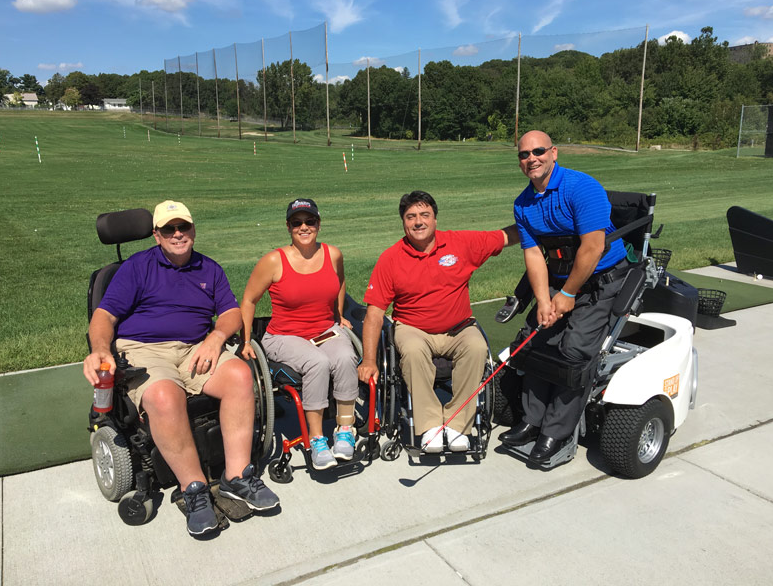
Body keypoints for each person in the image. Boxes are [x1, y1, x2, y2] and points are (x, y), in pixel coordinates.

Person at [83, 200, 279, 537]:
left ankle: (236, 477)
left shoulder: (209, 268)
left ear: (193, 230)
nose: (178, 234)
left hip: (195, 346)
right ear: (157, 235)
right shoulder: (135, 268)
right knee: (163, 396)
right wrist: (100, 350)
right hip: (145, 350)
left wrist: (217, 337)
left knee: (240, 375)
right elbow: (105, 317)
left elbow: (230, 312)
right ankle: (195, 490)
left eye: (184, 227)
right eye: (169, 229)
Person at [499, 130, 630, 464]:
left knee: (573, 351)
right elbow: (533, 256)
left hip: (602, 281)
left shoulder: (581, 187)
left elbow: (593, 246)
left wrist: (568, 294)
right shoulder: (523, 203)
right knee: (533, 340)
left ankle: (555, 432)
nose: (531, 159)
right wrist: (544, 300)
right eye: (524, 154)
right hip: (559, 280)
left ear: (554, 153)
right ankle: (531, 421)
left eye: (538, 151)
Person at [357, 191, 518, 453]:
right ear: (403, 222)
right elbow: (374, 313)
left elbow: (505, 236)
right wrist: (369, 360)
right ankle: (431, 425)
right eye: (411, 217)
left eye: (424, 215)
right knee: (411, 350)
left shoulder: (461, 243)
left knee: (477, 348)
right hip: (413, 329)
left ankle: (456, 426)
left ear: (435, 219)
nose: (418, 222)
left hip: (459, 327)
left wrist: (543, 224)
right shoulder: (390, 258)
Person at [240, 199, 359, 470]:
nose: (304, 227)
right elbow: (248, 300)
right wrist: (246, 341)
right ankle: (317, 439)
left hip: (324, 329)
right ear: (288, 226)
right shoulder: (273, 261)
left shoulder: (333, 254)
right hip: (284, 336)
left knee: (344, 356)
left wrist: (339, 315)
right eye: (297, 223)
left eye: (310, 221)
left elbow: (340, 282)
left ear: (319, 223)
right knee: (316, 362)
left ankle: (344, 430)